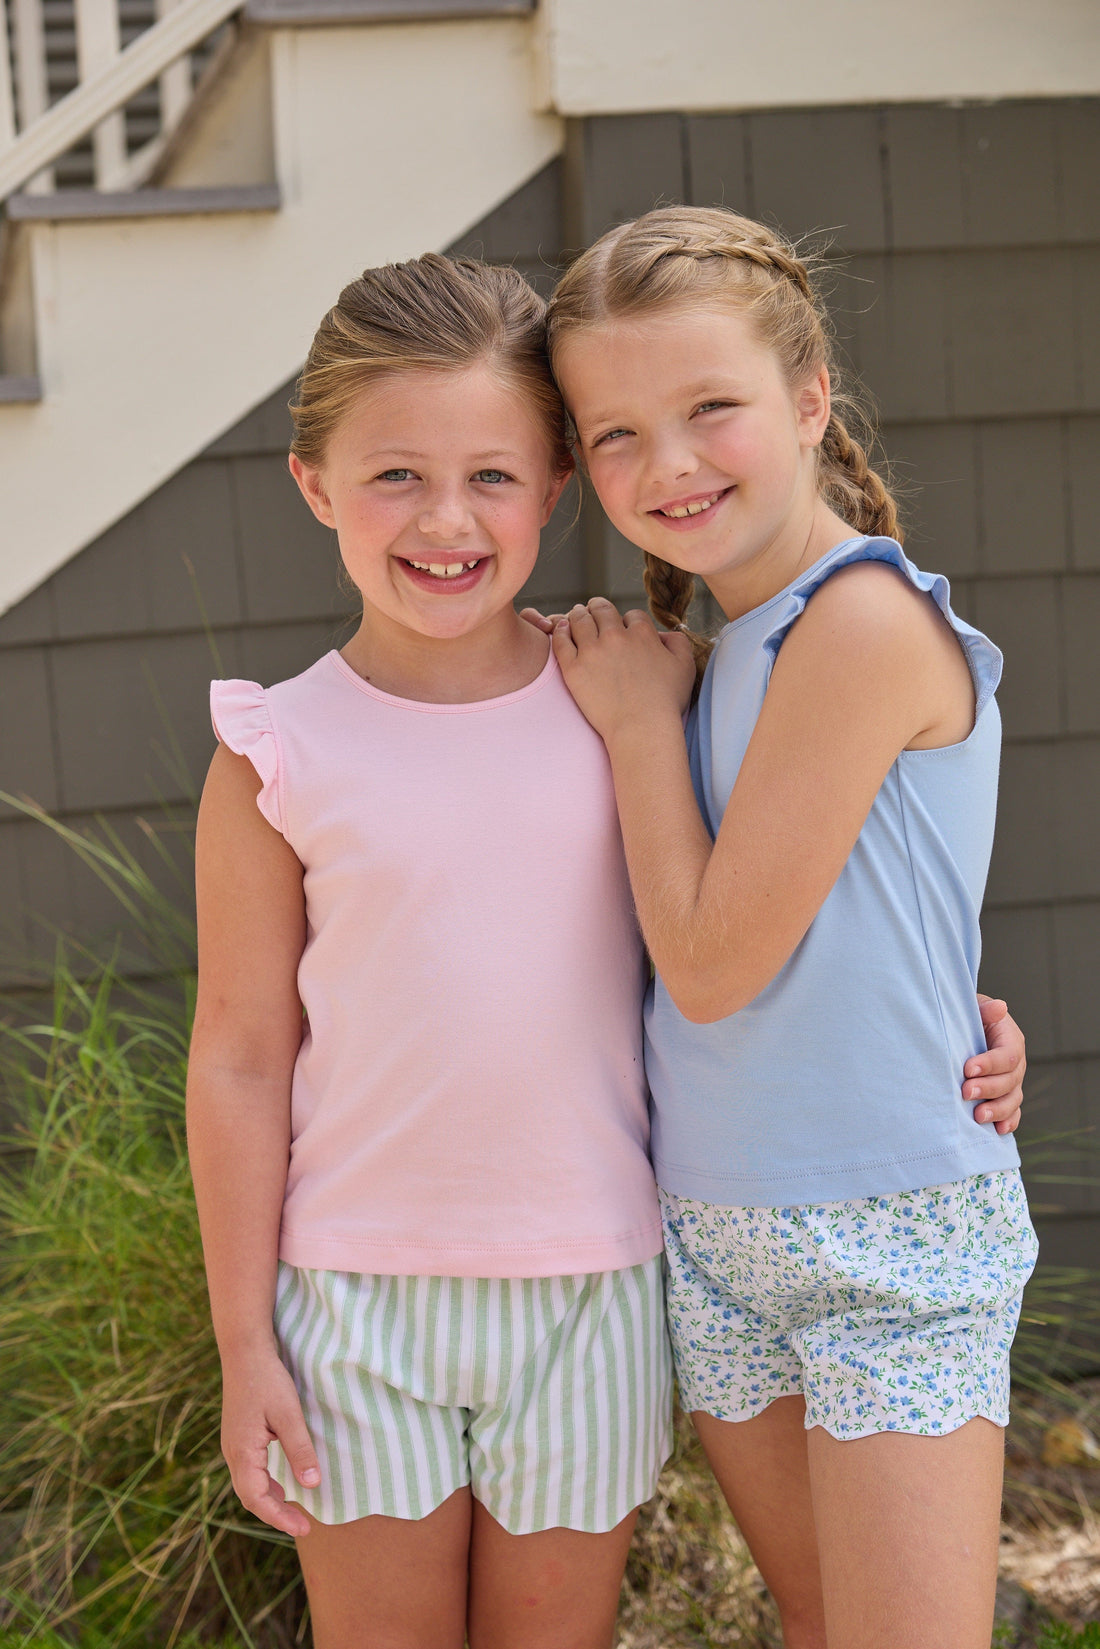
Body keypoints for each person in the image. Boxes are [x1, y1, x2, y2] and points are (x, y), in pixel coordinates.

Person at [186, 249, 1027, 1649]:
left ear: (552, 486)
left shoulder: (647, 688)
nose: (446, 518)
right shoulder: (312, 743)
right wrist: (243, 1341)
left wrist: (956, 1014)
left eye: (495, 476)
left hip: (667, 1267)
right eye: (396, 475)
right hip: (488, 1271)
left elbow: (760, 930)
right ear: (316, 483)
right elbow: (247, 1044)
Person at [536, 205, 1039, 1649]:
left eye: (711, 408)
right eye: (615, 432)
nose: (668, 465)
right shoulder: (707, 652)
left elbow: (711, 960)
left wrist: (638, 725)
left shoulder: (861, 624)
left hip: (894, 1229)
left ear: (810, 397)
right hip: (717, 1221)